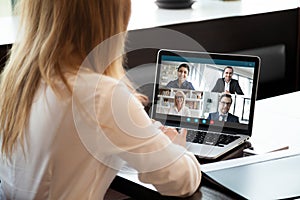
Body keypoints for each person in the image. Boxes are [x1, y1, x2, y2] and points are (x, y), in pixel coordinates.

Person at [0, 0, 201, 199]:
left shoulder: (16, 83)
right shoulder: (101, 96)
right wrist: (176, 149)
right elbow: (181, 180)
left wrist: (141, 131)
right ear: (112, 19)